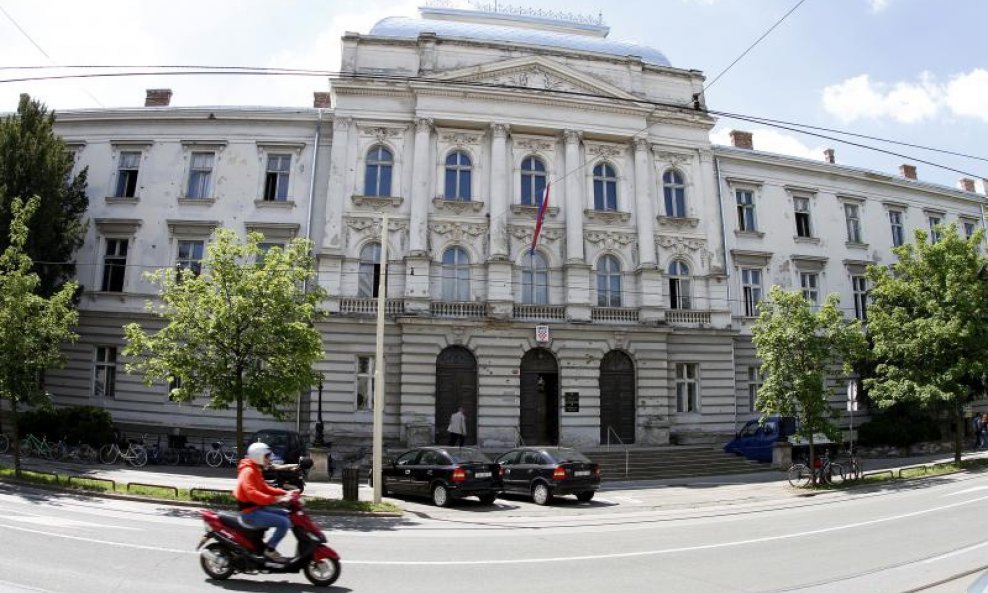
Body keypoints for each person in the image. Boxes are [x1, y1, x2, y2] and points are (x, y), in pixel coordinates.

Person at [234, 442, 293, 562]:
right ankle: (270, 549)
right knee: (284, 523)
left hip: (256, 509)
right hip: (249, 513)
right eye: (267, 456)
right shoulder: (248, 471)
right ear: (258, 456)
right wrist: (276, 499)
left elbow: (264, 488)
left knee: (288, 515)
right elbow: (252, 493)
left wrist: (284, 493)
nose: (269, 459)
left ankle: (266, 546)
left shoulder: (255, 469)